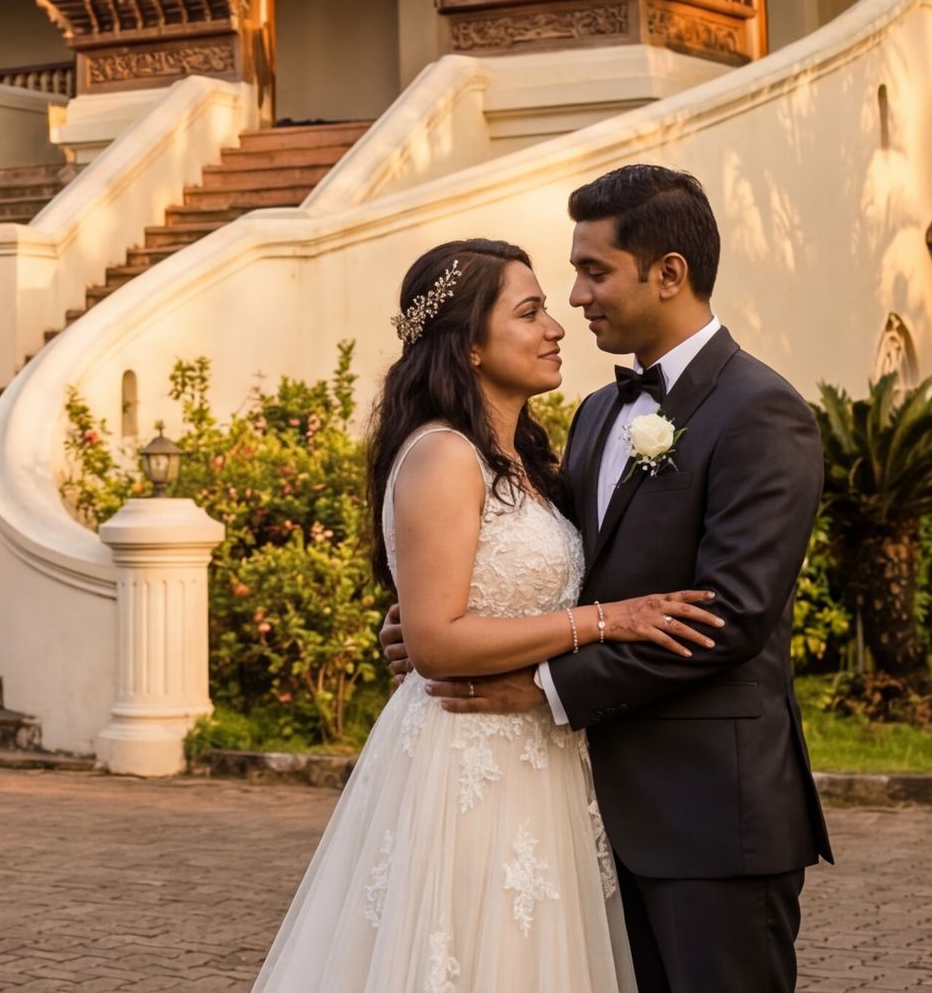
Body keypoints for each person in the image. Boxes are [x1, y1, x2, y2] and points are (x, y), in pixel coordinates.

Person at [382, 165, 830, 993]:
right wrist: (430, 616)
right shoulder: (592, 413)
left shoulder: (761, 410)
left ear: (669, 273)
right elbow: (553, 567)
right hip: (581, 813)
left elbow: (728, 616)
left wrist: (545, 685)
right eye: (564, 280)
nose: (576, 298)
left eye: (594, 271)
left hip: (708, 814)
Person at [250, 237, 726, 990]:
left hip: (545, 761)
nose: (557, 324)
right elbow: (438, 641)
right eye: (530, 310)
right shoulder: (442, 454)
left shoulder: (527, 462)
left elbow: (469, 600)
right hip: (467, 763)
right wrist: (605, 621)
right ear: (470, 343)